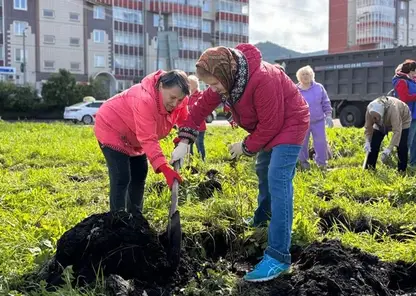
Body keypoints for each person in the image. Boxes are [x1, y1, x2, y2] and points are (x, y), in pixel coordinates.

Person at [169, 43, 310, 282]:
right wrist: (185, 141)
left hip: (290, 122)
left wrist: (244, 146)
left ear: (226, 74)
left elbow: (271, 125)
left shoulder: (262, 79)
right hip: (266, 126)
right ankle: (262, 217)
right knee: (263, 169)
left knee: (278, 178)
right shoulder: (227, 77)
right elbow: (199, 108)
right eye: (210, 85)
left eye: (214, 84)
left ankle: (278, 257)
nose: (213, 90)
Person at [94, 70, 189, 214]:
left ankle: (136, 218)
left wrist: (183, 138)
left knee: (140, 173)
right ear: (161, 86)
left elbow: (184, 119)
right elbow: (148, 139)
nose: (176, 103)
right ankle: (118, 219)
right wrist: (165, 169)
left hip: (134, 135)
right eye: (172, 97)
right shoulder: (145, 100)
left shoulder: (180, 99)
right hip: (111, 128)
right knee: (122, 176)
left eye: (180, 100)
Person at [296, 65, 333, 170]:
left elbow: (325, 102)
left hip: (318, 121)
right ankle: (303, 164)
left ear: (312, 75)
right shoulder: (295, 90)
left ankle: (322, 164)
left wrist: (329, 115)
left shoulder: (319, 87)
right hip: (302, 122)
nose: (305, 76)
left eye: (307, 74)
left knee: (321, 143)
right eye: (302, 74)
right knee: (302, 144)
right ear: (299, 77)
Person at [363, 96, 411, 172]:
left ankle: (402, 170)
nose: (374, 119)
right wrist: (367, 141)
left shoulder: (393, 110)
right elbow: (368, 127)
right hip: (382, 122)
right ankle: (370, 168)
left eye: (376, 118)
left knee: (402, 146)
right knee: (374, 143)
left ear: (381, 114)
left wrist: (388, 149)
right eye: (373, 117)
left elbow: (397, 131)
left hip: (402, 118)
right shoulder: (370, 109)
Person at [392, 60, 416, 169]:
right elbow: (404, 98)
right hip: (408, 116)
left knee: (414, 142)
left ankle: (413, 164)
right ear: (411, 71)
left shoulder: (411, 80)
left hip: (414, 115)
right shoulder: (401, 81)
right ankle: (403, 166)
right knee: (407, 142)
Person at [187, 75, 207, 161]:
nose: (187, 85)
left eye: (189, 83)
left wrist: (190, 108)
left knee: (199, 144)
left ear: (195, 84)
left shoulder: (201, 94)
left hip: (199, 126)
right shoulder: (187, 96)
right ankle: (190, 162)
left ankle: (202, 160)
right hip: (189, 125)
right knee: (189, 145)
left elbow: (201, 108)